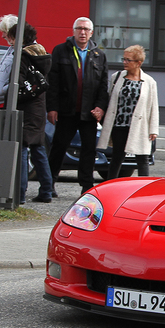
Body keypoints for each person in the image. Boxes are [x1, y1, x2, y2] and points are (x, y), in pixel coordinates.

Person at [47, 17, 109, 195]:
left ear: (91, 33)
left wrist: (100, 107)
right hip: (66, 110)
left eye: (86, 29)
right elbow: (53, 82)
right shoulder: (61, 51)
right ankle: (49, 183)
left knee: (89, 150)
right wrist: (52, 107)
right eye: (79, 29)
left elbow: (103, 86)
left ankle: (86, 186)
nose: (82, 32)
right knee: (59, 147)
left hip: (89, 113)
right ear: (73, 31)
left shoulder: (99, 55)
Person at [6, 23, 53, 204]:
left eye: (11, 37)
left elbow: (17, 82)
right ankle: (46, 190)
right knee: (38, 148)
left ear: (19, 38)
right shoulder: (42, 53)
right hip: (39, 107)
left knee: (23, 150)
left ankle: (19, 193)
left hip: (26, 108)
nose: (10, 42)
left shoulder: (24, 55)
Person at [97, 45, 159, 180]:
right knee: (117, 157)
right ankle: (111, 184)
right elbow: (110, 98)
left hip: (140, 126)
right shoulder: (117, 77)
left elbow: (153, 106)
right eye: (123, 59)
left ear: (138, 63)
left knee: (142, 158)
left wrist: (153, 129)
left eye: (128, 60)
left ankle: (143, 188)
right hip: (119, 124)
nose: (124, 62)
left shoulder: (149, 82)